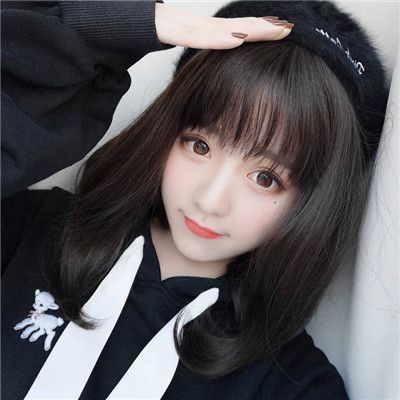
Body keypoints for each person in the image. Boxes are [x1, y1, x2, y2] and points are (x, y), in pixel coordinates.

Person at [1, 1, 389, 399]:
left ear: (313, 203)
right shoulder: (27, 232)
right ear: (167, 131)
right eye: (199, 145)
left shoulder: (294, 386)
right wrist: (118, 25)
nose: (210, 200)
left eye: (265, 178)